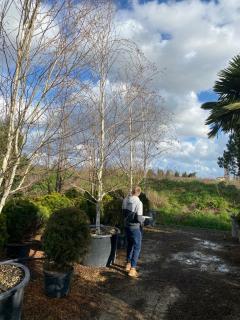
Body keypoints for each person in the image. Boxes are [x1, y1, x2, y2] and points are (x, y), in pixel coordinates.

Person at [122, 186, 145, 277]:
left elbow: (123, 213)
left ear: (132, 191)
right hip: (135, 228)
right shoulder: (139, 203)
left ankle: (128, 264)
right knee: (137, 247)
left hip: (127, 226)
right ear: (139, 193)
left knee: (130, 245)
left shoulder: (125, 200)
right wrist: (143, 220)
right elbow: (139, 218)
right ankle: (133, 269)